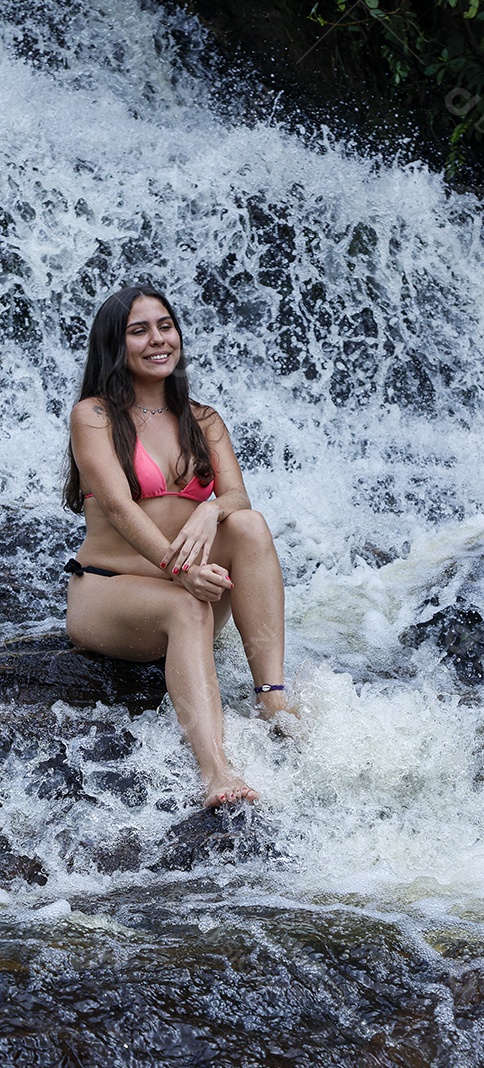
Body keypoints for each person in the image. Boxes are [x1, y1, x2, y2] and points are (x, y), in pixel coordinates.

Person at [63, 284, 295, 808]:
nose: (157, 339)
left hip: (184, 579)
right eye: (138, 330)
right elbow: (121, 508)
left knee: (251, 525)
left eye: (164, 326)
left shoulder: (203, 418)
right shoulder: (94, 416)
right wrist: (180, 568)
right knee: (186, 603)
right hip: (110, 592)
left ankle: (273, 699)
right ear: (114, 345)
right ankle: (217, 773)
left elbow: (236, 493)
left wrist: (212, 509)